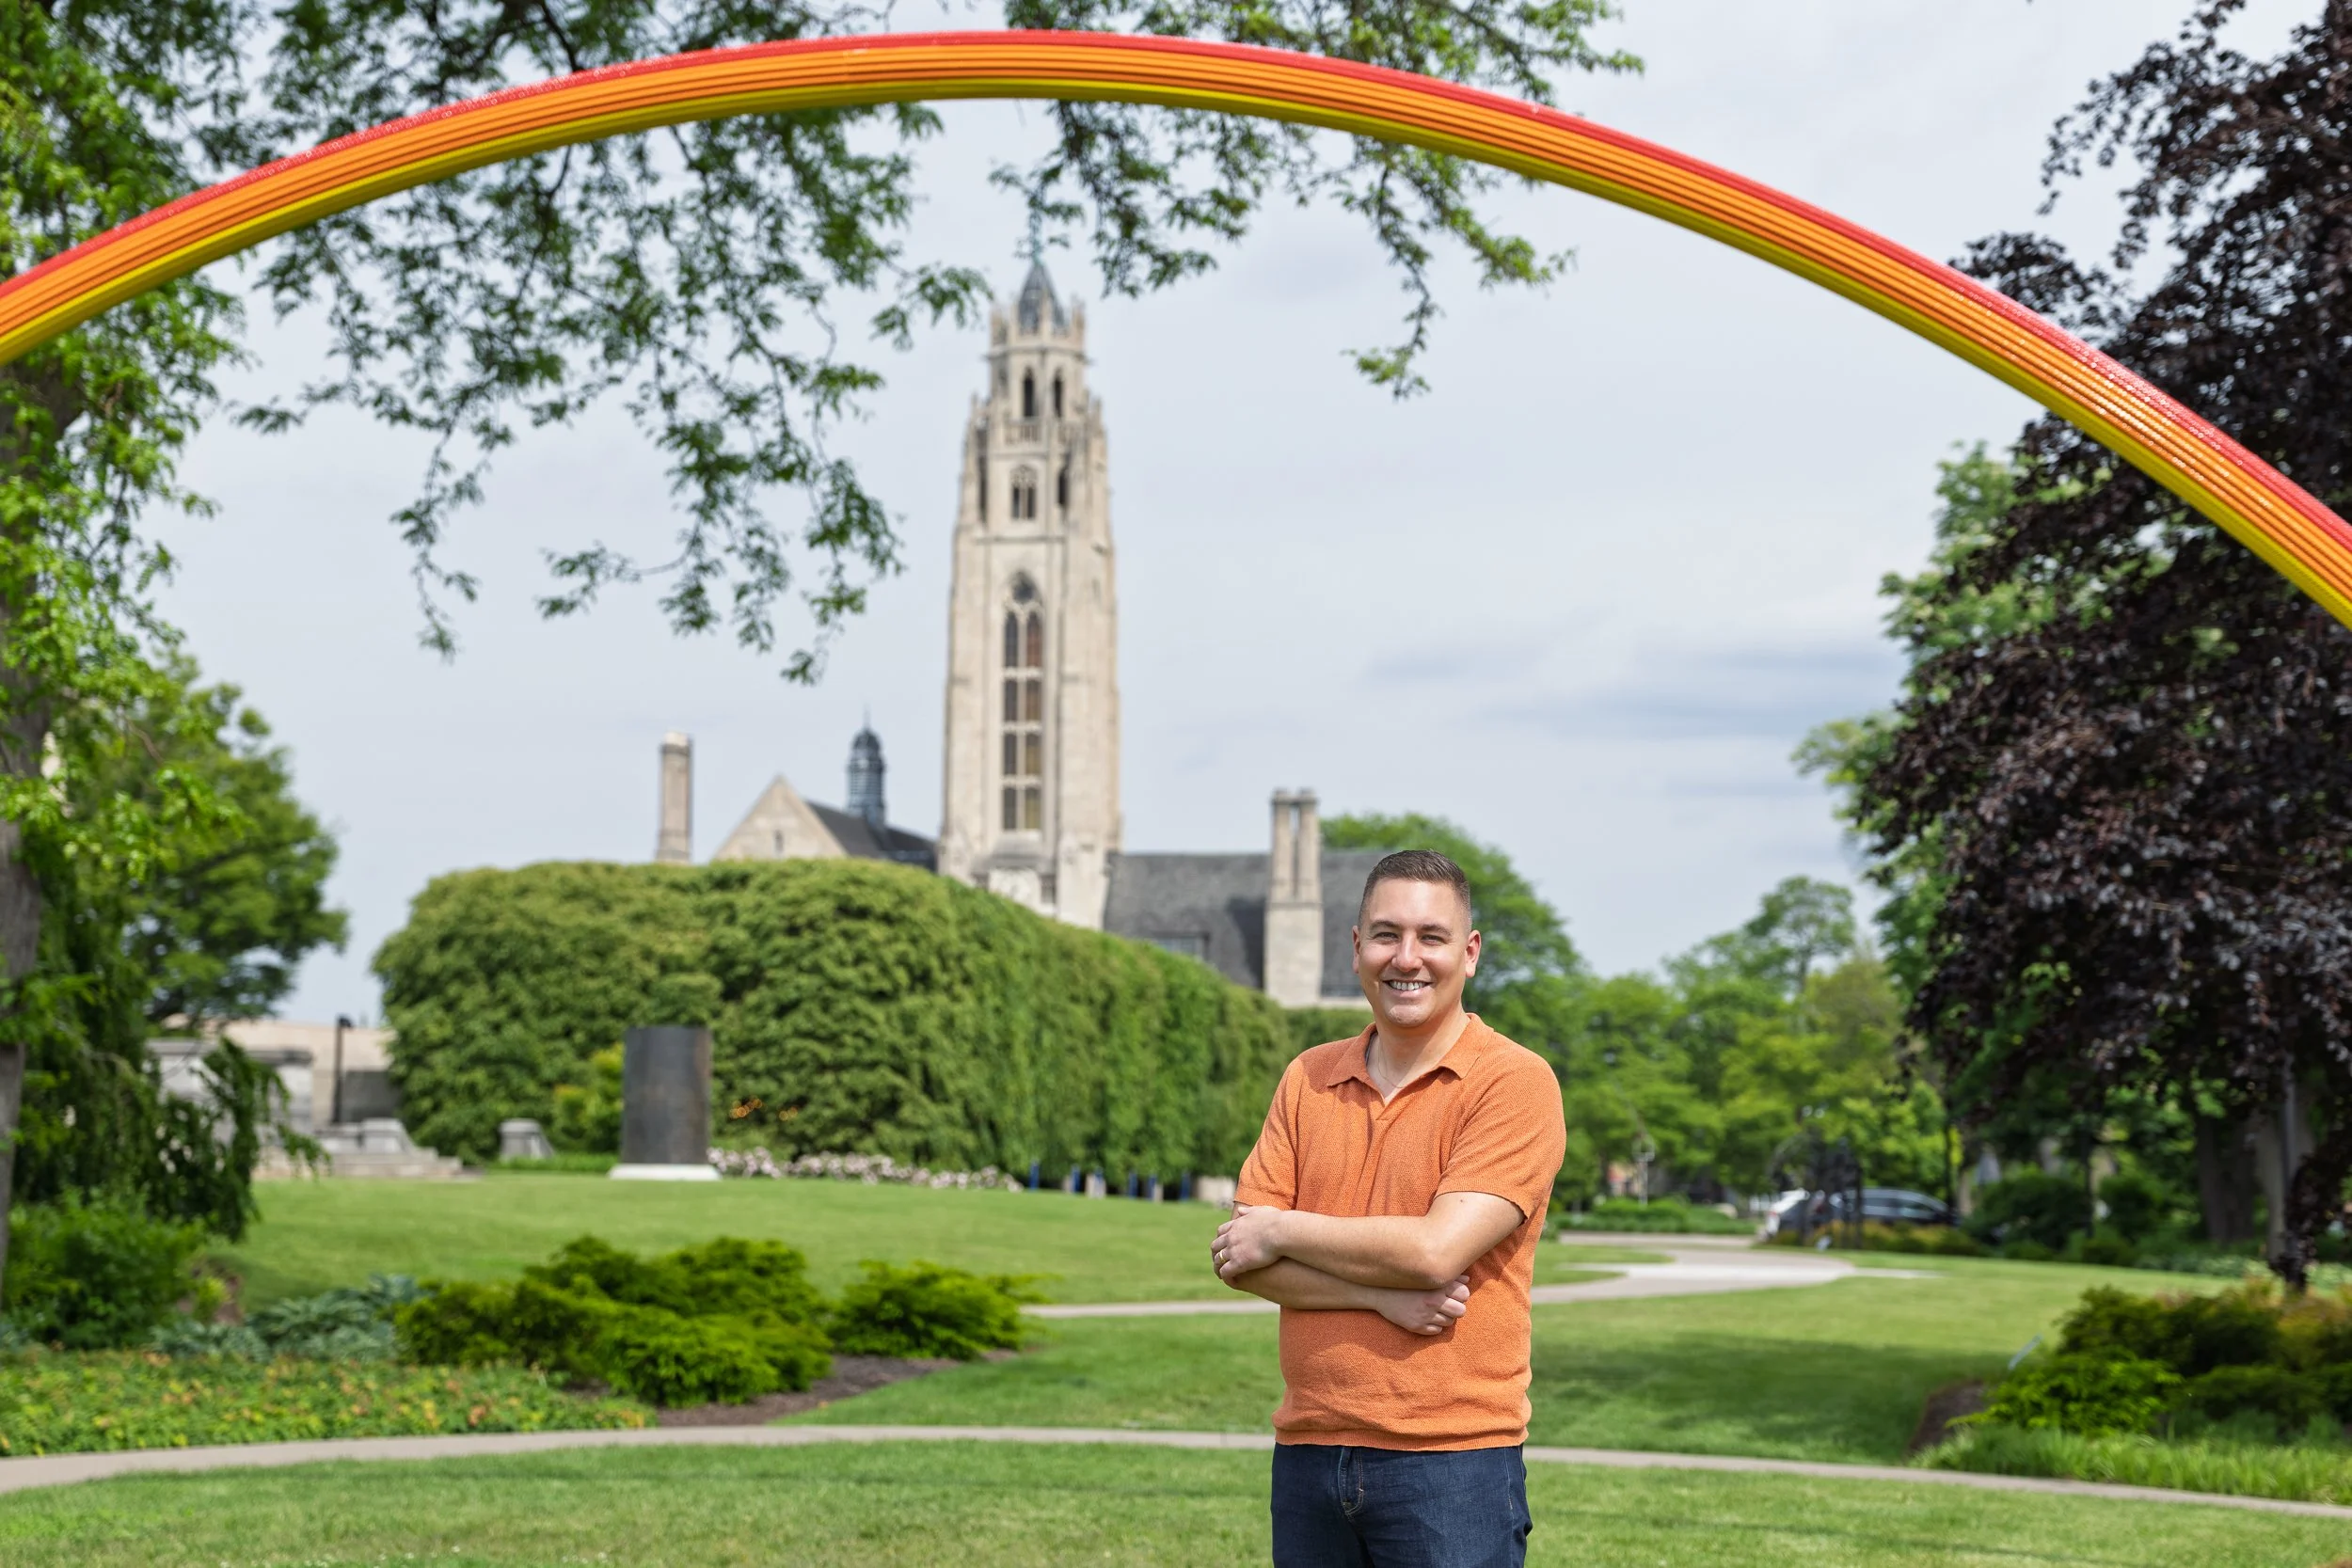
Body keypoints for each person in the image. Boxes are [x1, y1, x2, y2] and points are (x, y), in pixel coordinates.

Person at [1212, 848, 1566, 1568]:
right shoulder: (1307, 1075)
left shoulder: (1514, 1082)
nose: (1407, 957)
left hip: (1451, 1463)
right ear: (1355, 948)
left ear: (1468, 953)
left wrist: (1283, 1226)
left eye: (1431, 936)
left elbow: (1436, 1251)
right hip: (1310, 1452)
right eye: (1386, 934)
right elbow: (1240, 1261)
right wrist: (1378, 1296)